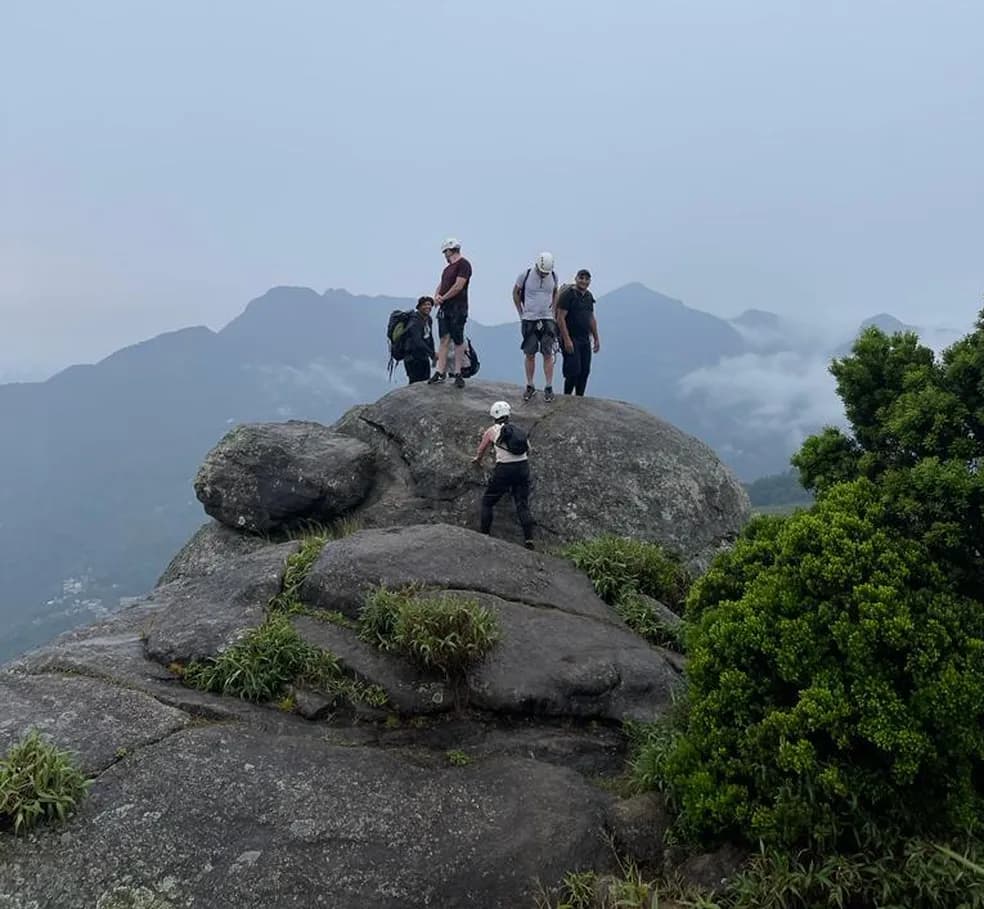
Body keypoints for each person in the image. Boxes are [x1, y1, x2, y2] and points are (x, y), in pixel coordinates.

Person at [472, 400, 534, 549]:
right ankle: (529, 540)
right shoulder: (518, 430)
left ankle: (485, 534)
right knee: (522, 504)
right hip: (522, 467)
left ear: (493, 415)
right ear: (508, 414)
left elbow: (481, 449)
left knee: (488, 502)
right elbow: (529, 449)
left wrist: (477, 460)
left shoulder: (491, 431)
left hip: (504, 470)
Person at [513, 252, 559, 402]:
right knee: (530, 353)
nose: (544, 274)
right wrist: (521, 312)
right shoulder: (525, 275)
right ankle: (530, 385)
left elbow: (555, 291)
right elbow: (515, 292)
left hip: (547, 319)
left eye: (546, 272)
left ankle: (548, 386)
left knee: (547, 353)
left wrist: (553, 310)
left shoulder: (553, 276)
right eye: (542, 272)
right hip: (529, 319)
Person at [428, 238, 473, 389]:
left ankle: (458, 372)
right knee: (444, 338)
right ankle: (440, 371)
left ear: (449, 251)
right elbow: (442, 284)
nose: (445, 256)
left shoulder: (463, 264)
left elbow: (458, 286)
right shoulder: (447, 269)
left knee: (458, 339)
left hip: (458, 308)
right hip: (445, 309)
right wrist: (437, 297)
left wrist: (443, 298)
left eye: (445, 252)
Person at [557, 268, 600, 396]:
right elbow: (560, 317)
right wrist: (567, 339)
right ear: (576, 279)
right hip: (571, 337)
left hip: (584, 338)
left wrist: (596, 338)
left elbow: (591, 318)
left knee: (584, 371)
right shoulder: (568, 295)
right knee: (573, 370)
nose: (584, 281)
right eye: (581, 278)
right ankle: (567, 397)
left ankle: (580, 399)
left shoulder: (588, 296)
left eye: (587, 279)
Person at [403, 296, 436, 384]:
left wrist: (433, 355)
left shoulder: (428, 319)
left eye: (429, 305)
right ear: (419, 306)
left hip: (423, 356)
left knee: (426, 381)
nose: (428, 307)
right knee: (414, 383)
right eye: (425, 304)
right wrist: (431, 353)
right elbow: (417, 340)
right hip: (412, 357)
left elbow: (430, 337)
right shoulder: (414, 320)